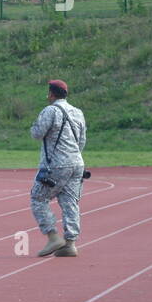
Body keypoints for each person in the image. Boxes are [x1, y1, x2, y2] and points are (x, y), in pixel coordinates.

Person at [31, 79, 87, 258]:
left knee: (38, 198)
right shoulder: (78, 112)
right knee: (70, 201)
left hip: (56, 164)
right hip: (77, 163)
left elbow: (37, 134)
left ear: (51, 94)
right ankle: (70, 243)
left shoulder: (50, 111)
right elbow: (82, 140)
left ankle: (52, 236)